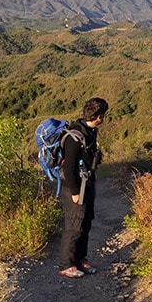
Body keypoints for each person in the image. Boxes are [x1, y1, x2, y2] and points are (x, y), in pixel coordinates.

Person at [58, 97, 109, 278]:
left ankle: (80, 260)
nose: (103, 119)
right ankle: (66, 264)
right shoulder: (74, 136)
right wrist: (73, 192)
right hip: (74, 187)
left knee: (85, 223)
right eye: (102, 115)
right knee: (74, 224)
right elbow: (68, 167)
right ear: (98, 116)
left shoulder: (89, 132)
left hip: (87, 183)